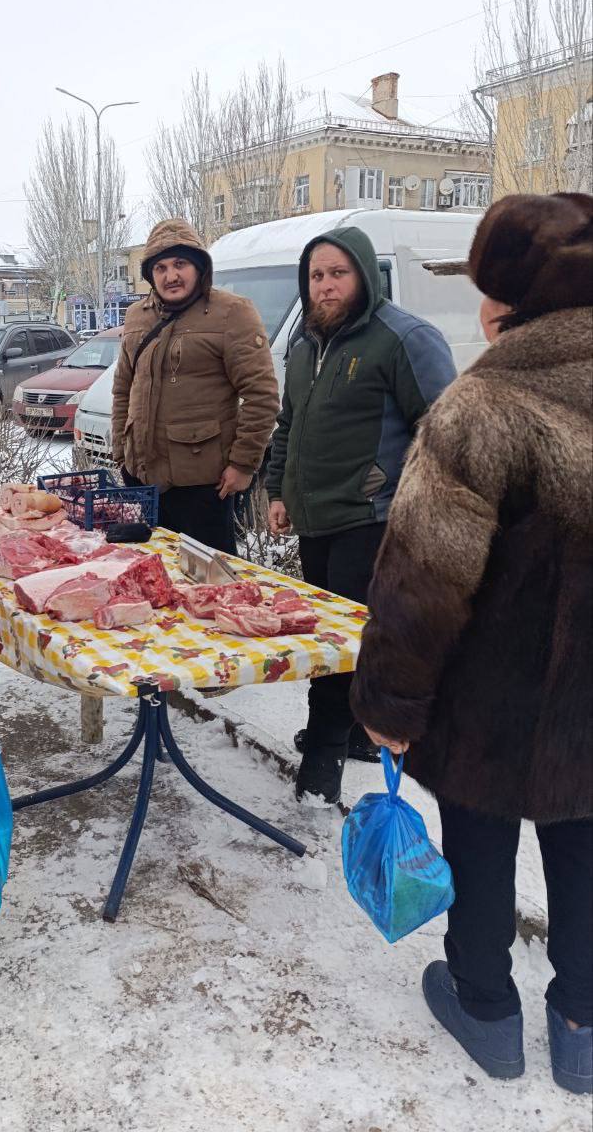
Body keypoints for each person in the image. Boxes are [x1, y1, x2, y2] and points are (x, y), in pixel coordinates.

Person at [352, 192, 592, 1094]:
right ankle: (582, 1030)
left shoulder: (481, 408)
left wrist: (386, 706)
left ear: (515, 298)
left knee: (481, 844)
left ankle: (485, 1009)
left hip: (488, 701)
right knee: (586, 850)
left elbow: (422, 583)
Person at [264, 226, 455, 804]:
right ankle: (348, 734)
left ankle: (321, 762)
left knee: (342, 641)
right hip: (317, 521)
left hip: (371, 520)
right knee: (332, 637)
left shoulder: (403, 338)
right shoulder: (305, 348)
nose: (325, 286)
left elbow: (446, 432)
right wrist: (279, 492)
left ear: (365, 276)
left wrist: (411, 507)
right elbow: (288, 428)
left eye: (337, 274)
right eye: (316, 276)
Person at [111, 219, 279, 555]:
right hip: (141, 479)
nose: (170, 275)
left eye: (180, 264)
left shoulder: (232, 312)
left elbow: (262, 395)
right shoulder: (137, 316)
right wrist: (120, 451)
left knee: (207, 585)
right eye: (160, 267)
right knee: (151, 573)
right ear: (150, 275)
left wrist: (243, 465)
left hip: (204, 485)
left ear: (200, 267)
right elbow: (123, 388)